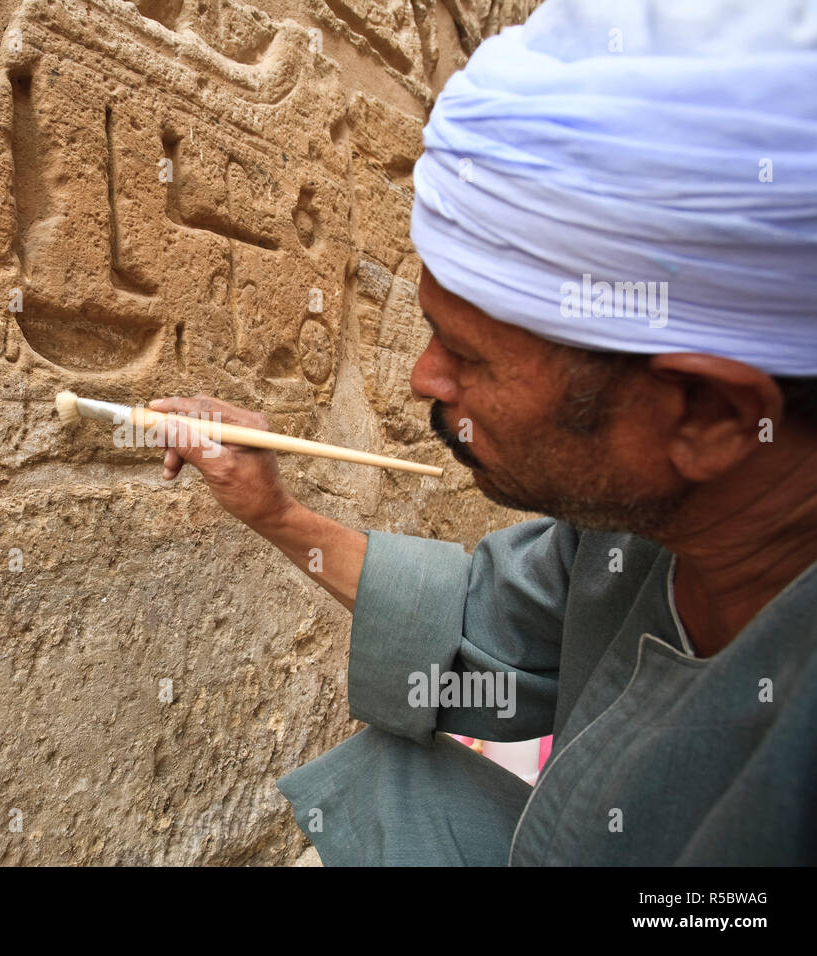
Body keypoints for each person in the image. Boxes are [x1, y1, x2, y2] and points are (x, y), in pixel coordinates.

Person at [146, 0, 817, 865]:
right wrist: (274, 509)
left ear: (710, 415)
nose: (425, 379)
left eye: (467, 355)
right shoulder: (630, 537)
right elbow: (481, 625)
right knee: (397, 785)